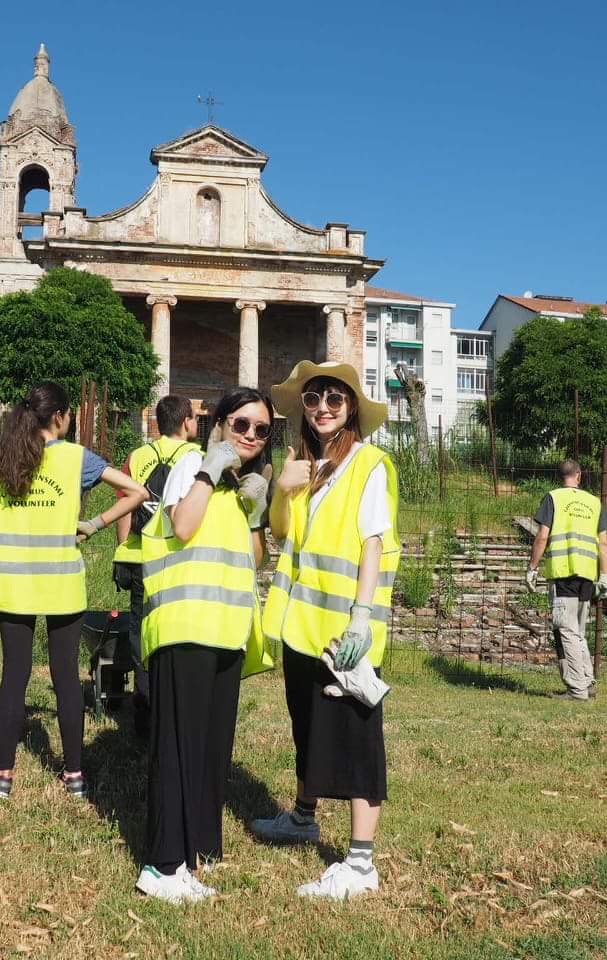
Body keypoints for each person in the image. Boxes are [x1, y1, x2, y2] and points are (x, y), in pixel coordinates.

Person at [0, 382, 148, 800]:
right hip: (62, 586)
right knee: (66, 677)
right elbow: (137, 492)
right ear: (61, 416)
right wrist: (96, 524)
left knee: (13, 677)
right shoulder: (75, 459)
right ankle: (74, 777)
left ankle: (1, 774)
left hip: (14, 585)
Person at [253, 360, 401, 901]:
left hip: (344, 631)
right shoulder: (306, 466)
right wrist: (282, 489)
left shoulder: (369, 464)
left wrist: (362, 616)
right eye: (313, 399)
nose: (321, 408)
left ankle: (361, 862)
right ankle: (303, 817)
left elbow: (373, 542)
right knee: (308, 724)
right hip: (301, 626)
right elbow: (282, 532)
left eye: (333, 400)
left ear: (352, 409)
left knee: (359, 739)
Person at [135, 387, 273, 904]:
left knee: (211, 748)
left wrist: (255, 511)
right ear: (218, 422)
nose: (251, 437)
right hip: (186, 626)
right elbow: (184, 524)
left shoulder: (239, 487)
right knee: (177, 748)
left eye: (261, 430)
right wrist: (209, 471)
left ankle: (196, 851)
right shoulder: (192, 463)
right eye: (241, 424)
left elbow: (253, 560)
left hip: (225, 632)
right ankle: (162, 865)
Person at [112, 395, 201, 736]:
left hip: (139, 556)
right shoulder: (197, 457)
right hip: (177, 561)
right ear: (185, 422)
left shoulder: (138, 456)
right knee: (174, 636)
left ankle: (144, 708)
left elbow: (124, 505)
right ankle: (173, 711)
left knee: (140, 636)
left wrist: (123, 551)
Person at [525, 458, 607, 702]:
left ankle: (577, 690)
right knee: (578, 632)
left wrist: (532, 568)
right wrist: (605, 575)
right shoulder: (594, 503)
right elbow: (603, 543)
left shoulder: (554, 498)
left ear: (559, 477)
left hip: (563, 572)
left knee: (566, 629)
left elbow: (543, 537)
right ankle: (586, 681)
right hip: (587, 574)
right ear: (579, 476)